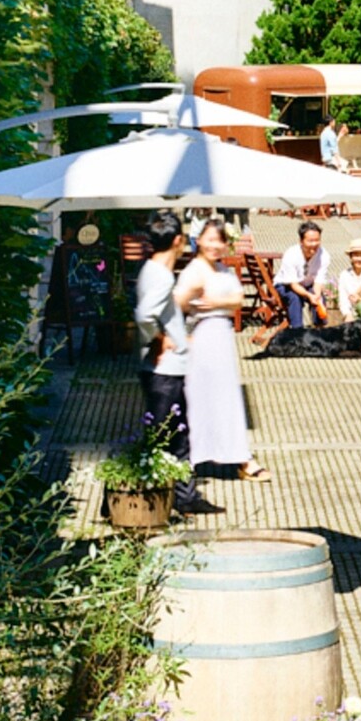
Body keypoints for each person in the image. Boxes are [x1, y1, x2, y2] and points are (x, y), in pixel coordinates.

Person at [129, 210, 220, 515]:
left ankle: (180, 497)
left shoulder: (151, 270)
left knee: (171, 435)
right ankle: (164, 500)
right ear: (179, 240)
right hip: (164, 370)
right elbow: (144, 315)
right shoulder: (161, 275)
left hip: (165, 368)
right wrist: (158, 338)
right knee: (168, 438)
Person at [174, 224, 268, 480]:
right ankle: (192, 458)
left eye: (220, 241)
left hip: (222, 337)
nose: (215, 245)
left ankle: (239, 456)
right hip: (202, 338)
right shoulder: (193, 271)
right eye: (210, 240)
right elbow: (177, 302)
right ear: (199, 240)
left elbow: (238, 300)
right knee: (199, 398)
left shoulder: (223, 269)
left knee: (226, 397)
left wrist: (217, 302)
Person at [273, 220, 332, 328]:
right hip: (286, 285)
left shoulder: (324, 255)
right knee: (295, 298)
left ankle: (320, 329)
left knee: (319, 299)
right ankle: (297, 331)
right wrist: (309, 295)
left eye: (317, 240)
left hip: (308, 284)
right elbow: (293, 284)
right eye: (310, 241)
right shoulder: (291, 254)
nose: (314, 244)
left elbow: (319, 281)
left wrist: (316, 295)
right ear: (301, 241)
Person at [336, 239, 361, 328]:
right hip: (353, 313)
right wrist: (347, 314)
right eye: (356, 255)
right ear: (350, 257)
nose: (359, 259)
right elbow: (343, 299)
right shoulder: (344, 275)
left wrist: (360, 300)